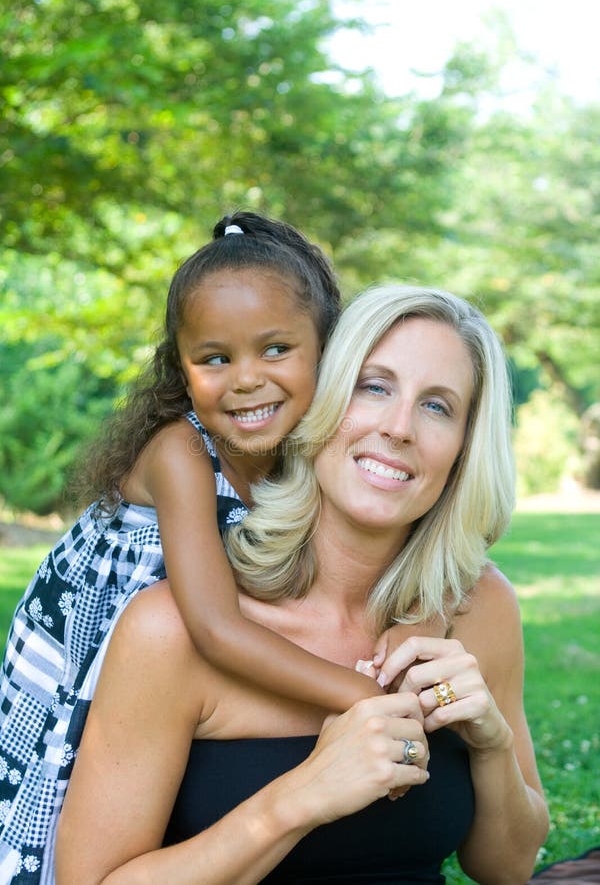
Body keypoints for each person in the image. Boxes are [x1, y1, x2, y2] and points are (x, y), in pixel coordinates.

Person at [56, 283, 550, 884]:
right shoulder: (173, 630)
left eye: (437, 406)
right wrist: (301, 798)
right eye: (374, 386)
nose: (399, 427)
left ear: (465, 450)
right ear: (320, 398)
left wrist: (492, 744)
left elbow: (507, 867)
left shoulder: (477, 607)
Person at [0, 212, 384, 884]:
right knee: (52, 822)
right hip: (85, 648)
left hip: (167, 656)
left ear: (327, 350)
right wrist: (361, 694)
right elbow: (212, 626)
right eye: (215, 358)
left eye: (275, 350)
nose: (245, 379)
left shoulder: (301, 458)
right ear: (180, 368)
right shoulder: (179, 451)